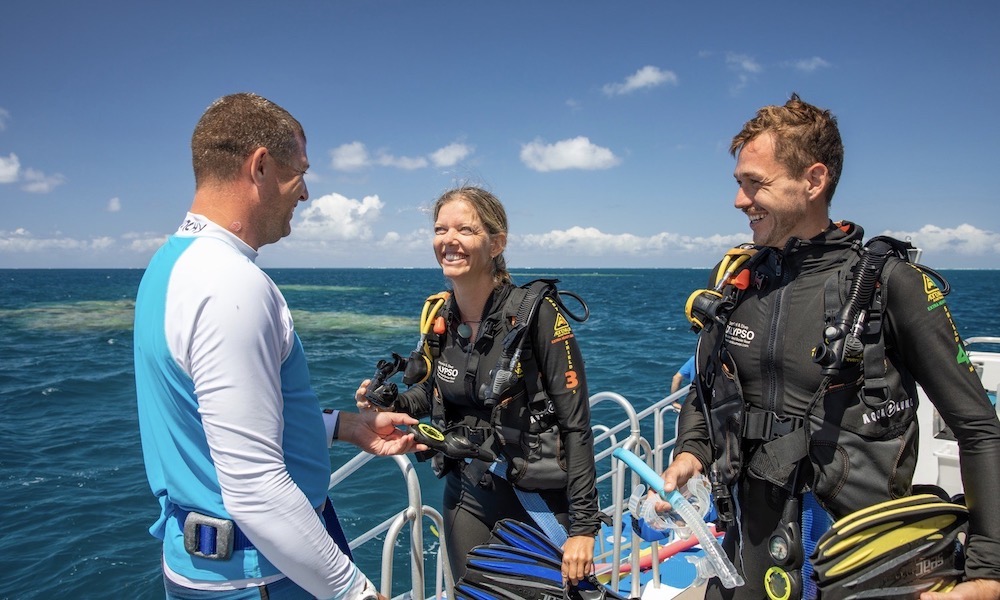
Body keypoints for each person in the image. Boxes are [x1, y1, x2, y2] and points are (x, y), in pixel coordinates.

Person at [658, 95, 1000, 600]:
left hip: (858, 559)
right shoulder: (736, 283)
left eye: (757, 184)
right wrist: (690, 452)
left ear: (813, 181)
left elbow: (976, 426)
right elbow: (706, 394)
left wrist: (988, 571)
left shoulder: (890, 284)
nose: (739, 200)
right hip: (750, 555)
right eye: (739, 184)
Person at [134, 93, 423, 600]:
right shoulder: (230, 284)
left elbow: (219, 421)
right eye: (300, 172)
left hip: (208, 567)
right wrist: (355, 593)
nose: (306, 193)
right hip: (261, 577)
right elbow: (255, 487)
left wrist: (345, 425)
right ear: (261, 165)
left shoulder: (170, 266)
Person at [355, 186, 601, 585]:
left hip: (538, 502)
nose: (448, 240)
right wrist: (390, 404)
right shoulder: (440, 314)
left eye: (465, 230)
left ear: (496, 242)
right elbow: (435, 392)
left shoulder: (538, 316)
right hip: (467, 495)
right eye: (440, 229)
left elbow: (577, 424)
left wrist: (584, 527)